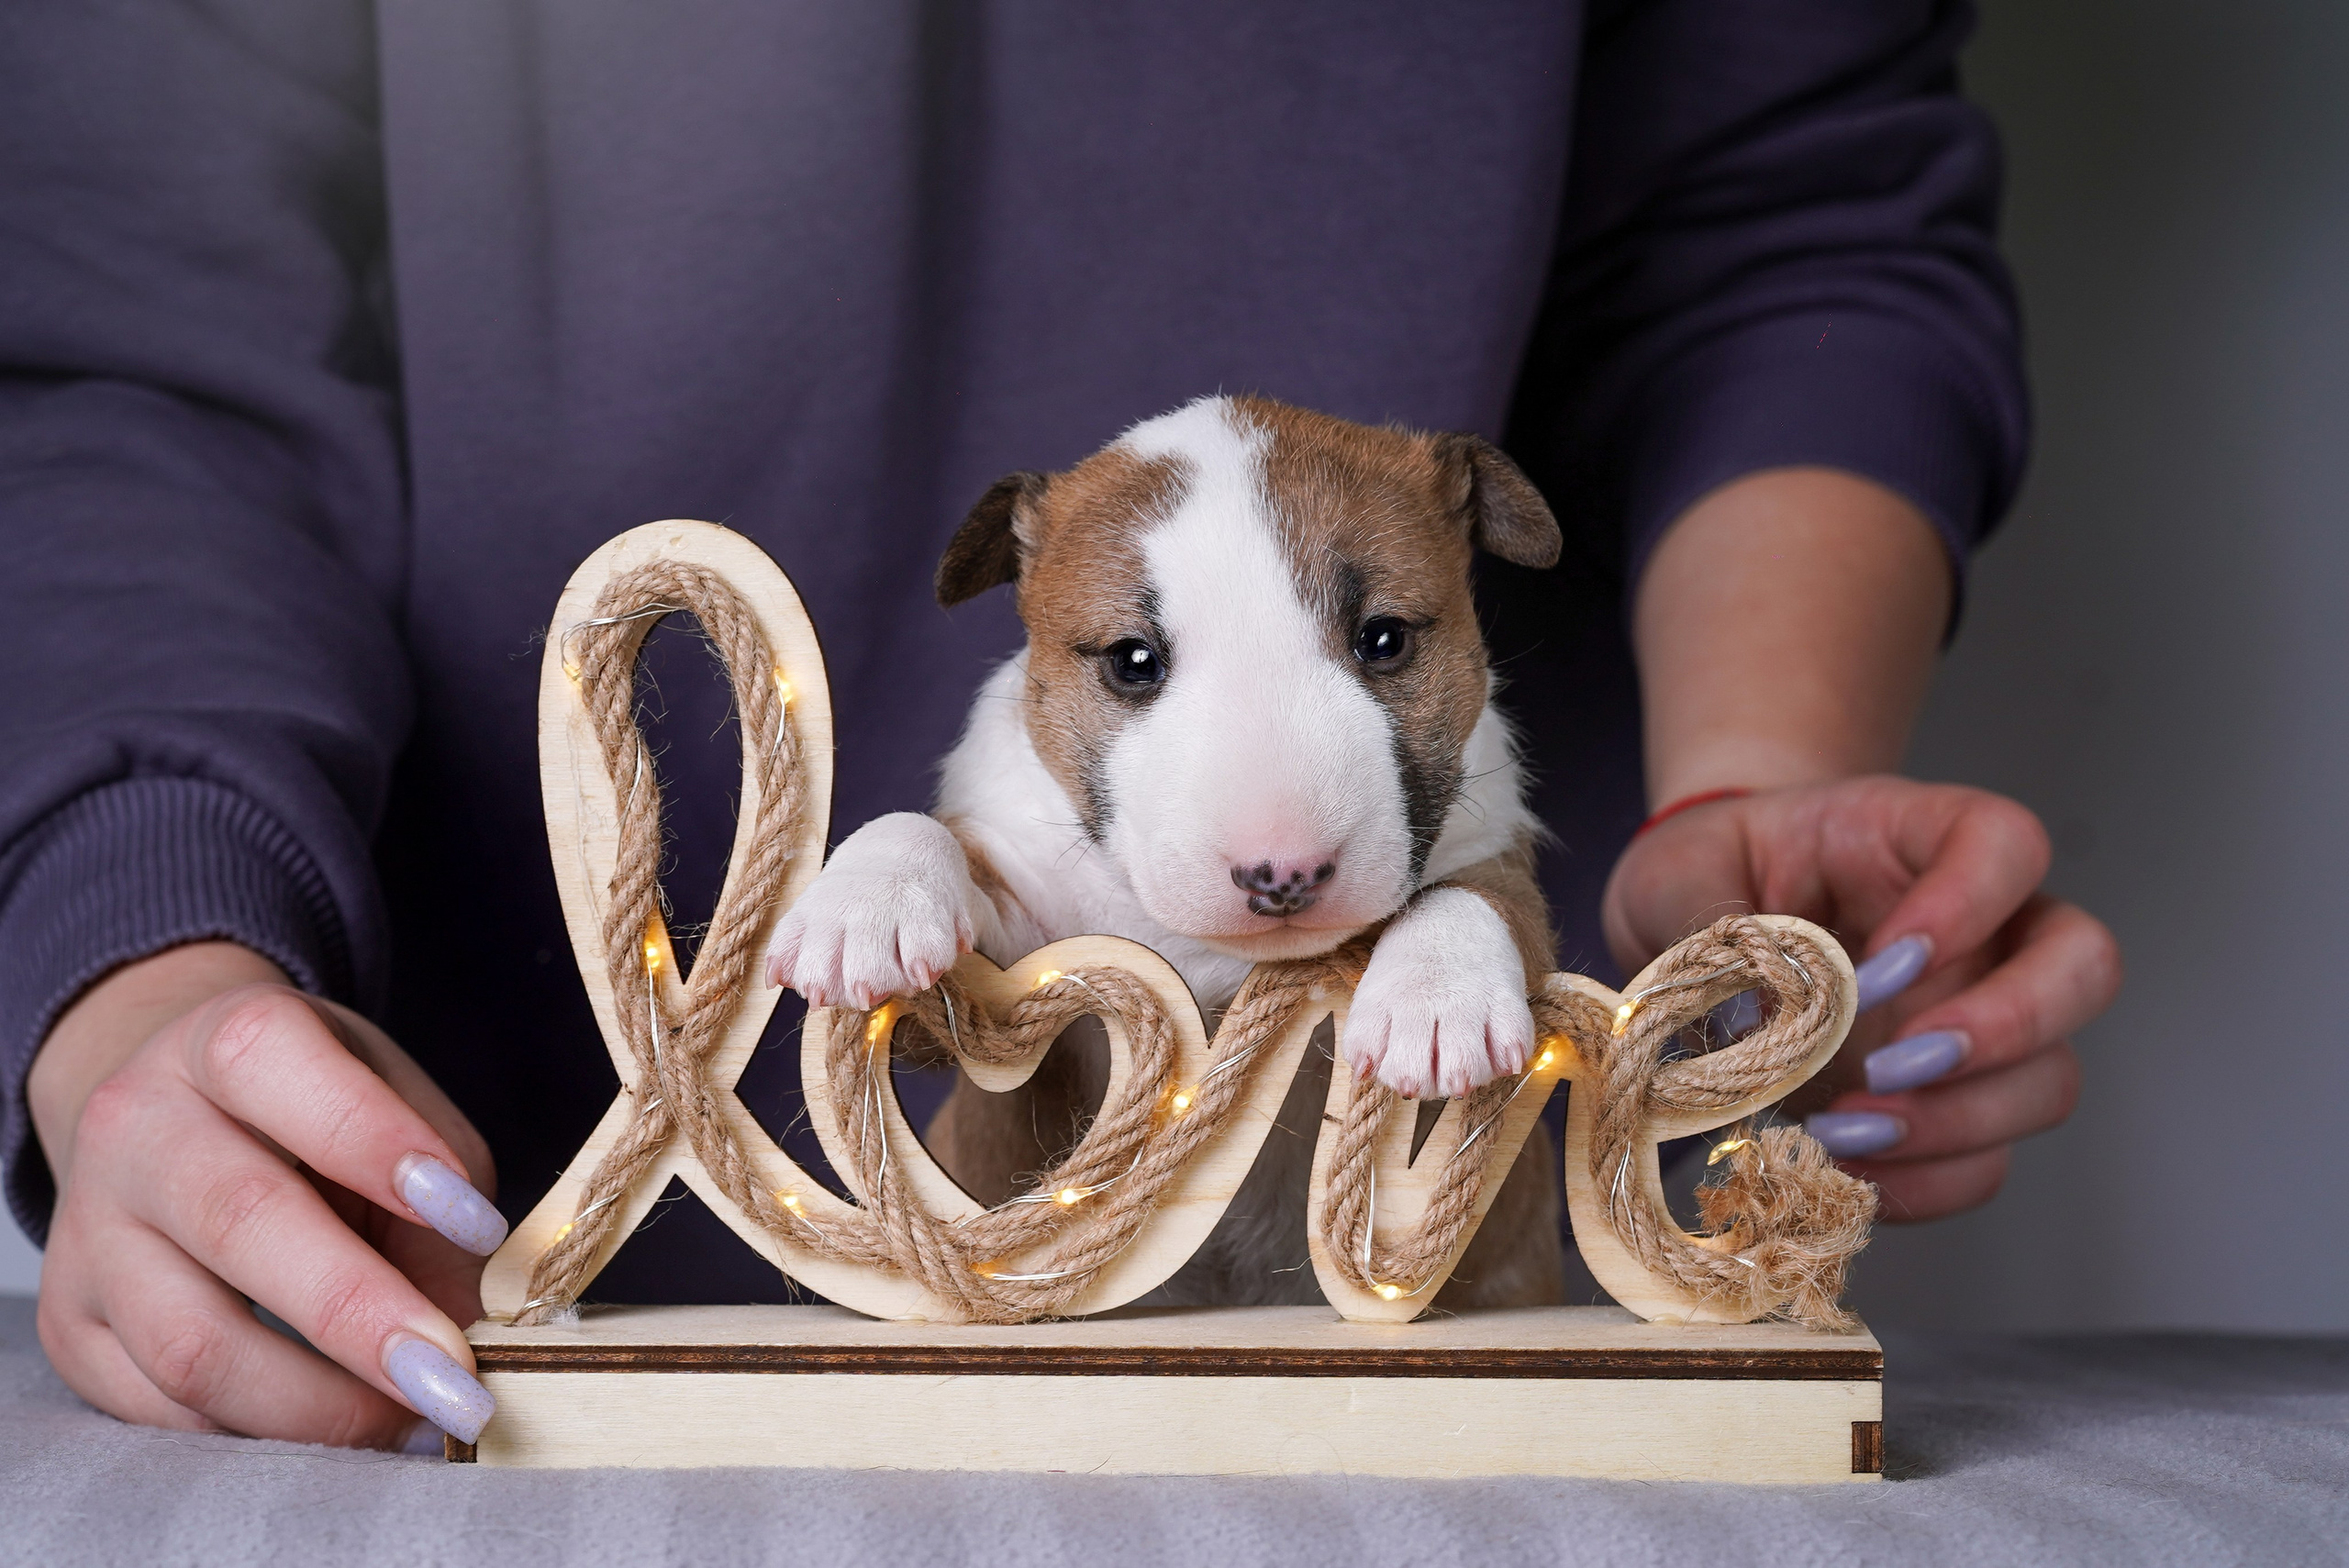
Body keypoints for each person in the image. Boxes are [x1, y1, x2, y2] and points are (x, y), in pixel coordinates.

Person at [0, 0, 2121, 1450]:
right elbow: (121, 320)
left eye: (1381, 646)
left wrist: (1756, 781)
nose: (1273, 833)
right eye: (1133, 668)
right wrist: (144, 956)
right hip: (502, 1239)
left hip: (1429, 1381)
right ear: (1023, 625)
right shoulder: (999, 778)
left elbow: (1779, 205)